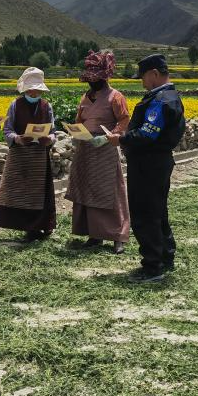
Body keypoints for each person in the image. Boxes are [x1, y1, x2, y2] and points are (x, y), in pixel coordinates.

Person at [108, 53, 186, 283]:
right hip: (157, 162)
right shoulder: (170, 96)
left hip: (148, 164)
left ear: (154, 74)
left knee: (145, 213)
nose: (142, 82)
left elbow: (148, 133)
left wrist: (121, 139)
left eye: (142, 77)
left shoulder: (161, 100)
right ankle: (165, 255)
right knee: (158, 211)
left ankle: (152, 266)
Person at [65, 50, 130, 254]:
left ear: (104, 77)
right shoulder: (85, 98)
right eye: (90, 79)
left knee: (109, 191)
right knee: (87, 190)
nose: (92, 82)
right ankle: (94, 234)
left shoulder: (115, 97)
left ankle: (117, 236)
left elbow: (124, 120)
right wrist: (77, 131)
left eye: (96, 79)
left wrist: (111, 135)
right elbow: (79, 120)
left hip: (105, 149)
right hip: (85, 149)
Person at [0, 67, 57, 242]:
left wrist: (49, 139)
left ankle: (43, 225)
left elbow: (53, 131)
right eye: (30, 90)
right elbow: (7, 130)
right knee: (21, 193)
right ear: (25, 90)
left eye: (37, 90)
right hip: (20, 156)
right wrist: (18, 138)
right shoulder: (15, 105)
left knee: (40, 193)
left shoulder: (47, 106)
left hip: (39, 157)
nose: (34, 93)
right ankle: (28, 228)